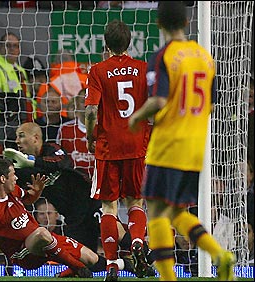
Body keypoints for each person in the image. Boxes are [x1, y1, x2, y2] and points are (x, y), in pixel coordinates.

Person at [128, 2, 236, 281]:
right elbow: (212, 102)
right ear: (188, 23)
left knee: (154, 210)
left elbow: (159, 100)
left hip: (167, 145)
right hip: (195, 146)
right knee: (177, 211)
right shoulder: (204, 57)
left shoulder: (163, 56)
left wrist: (136, 117)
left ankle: (167, 277)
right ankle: (220, 255)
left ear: (158, 24)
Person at [2, 122, 154, 278]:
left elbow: (63, 163)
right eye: (16, 137)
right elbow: (21, 196)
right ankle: (128, 265)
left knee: (115, 231)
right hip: (72, 217)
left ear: (35, 138)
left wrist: (33, 162)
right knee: (87, 261)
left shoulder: (52, 149)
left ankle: (149, 256)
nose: (17, 141)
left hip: (89, 201)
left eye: (21, 135)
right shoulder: (21, 170)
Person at [85, 19, 151, 280]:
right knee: (136, 202)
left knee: (109, 208)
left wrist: (91, 135)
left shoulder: (98, 70)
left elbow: (91, 110)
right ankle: (136, 241)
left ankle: (112, 263)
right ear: (129, 43)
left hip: (108, 148)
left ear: (105, 43)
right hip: (137, 146)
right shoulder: (143, 69)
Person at [0, 158, 100, 278]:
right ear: (3, 179)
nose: (16, 178)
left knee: (91, 258)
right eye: (13, 174)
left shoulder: (12, 190)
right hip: (23, 254)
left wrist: (37, 191)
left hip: (44, 239)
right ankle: (78, 268)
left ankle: (63, 275)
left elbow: (28, 199)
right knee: (42, 234)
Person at [0, 32, 35, 150]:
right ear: (0, 48)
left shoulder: (20, 71)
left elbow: (27, 99)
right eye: (8, 45)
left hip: (22, 126)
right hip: (5, 128)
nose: (12, 49)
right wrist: (8, 120)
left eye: (15, 46)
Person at [57, 89, 95, 178]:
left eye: (90, 101)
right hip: (73, 181)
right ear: (76, 105)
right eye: (83, 101)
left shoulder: (104, 128)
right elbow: (59, 157)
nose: (86, 105)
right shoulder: (65, 129)